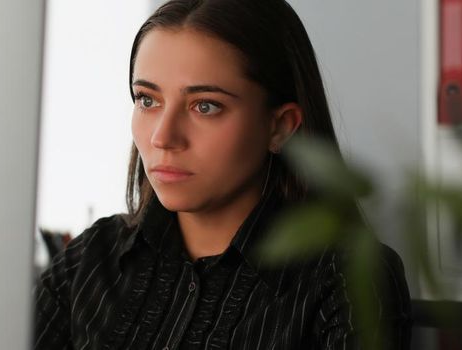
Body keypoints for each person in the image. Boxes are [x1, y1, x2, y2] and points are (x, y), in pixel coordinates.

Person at [33, 0, 411, 348]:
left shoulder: (349, 280)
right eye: (147, 100)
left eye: (205, 106)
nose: (163, 136)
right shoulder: (87, 261)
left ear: (280, 127)